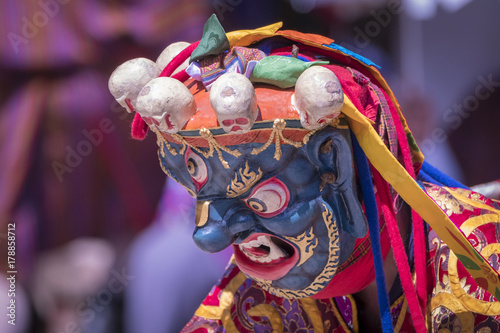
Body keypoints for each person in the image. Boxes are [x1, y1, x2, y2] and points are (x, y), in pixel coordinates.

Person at [109, 17, 500, 332]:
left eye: (261, 197)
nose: (210, 237)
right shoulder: (256, 300)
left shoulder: (483, 265)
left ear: (334, 165)